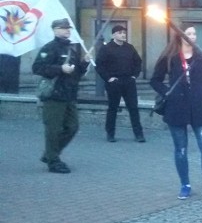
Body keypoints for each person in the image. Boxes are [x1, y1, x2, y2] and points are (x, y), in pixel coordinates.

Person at [150, 24, 202, 201]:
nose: (192, 36)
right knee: (181, 149)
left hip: (199, 110)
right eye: (188, 33)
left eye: (194, 33)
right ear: (180, 36)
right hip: (177, 109)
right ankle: (185, 185)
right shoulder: (170, 57)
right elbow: (155, 80)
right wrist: (167, 92)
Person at [32, 18, 91, 174]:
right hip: (53, 95)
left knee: (73, 127)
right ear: (55, 30)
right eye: (63, 28)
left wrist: (84, 63)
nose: (67, 30)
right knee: (53, 129)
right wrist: (60, 69)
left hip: (69, 94)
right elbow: (37, 68)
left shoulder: (72, 48)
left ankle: (50, 154)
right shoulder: (49, 48)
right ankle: (53, 161)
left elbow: (77, 73)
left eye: (68, 28)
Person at [95, 24, 145, 143]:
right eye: (120, 33)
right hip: (114, 82)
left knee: (133, 108)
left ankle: (139, 135)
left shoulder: (130, 48)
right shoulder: (106, 48)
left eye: (124, 33)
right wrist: (108, 78)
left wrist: (134, 75)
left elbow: (138, 62)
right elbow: (99, 65)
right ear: (113, 35)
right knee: (113, 108)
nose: (123, 35)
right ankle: (110, 134)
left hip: (128, 81)